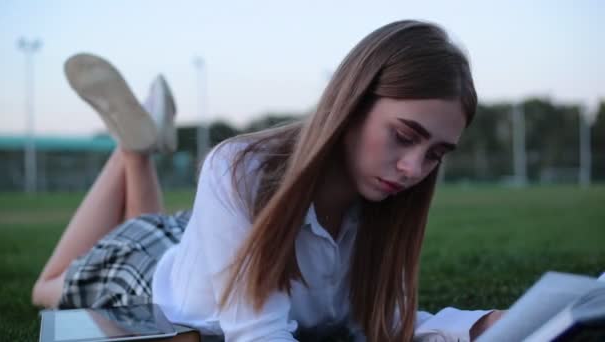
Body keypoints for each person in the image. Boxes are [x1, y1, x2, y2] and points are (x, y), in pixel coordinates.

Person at [32, 20, 503, 341]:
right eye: (403, 136)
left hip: (199, 240)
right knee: (46, 287)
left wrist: (483, 327)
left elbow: (387, 325)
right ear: (352, 103)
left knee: (157, 229)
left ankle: (140, 139)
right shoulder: (237, 167)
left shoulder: (383, 207)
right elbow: (258, 333)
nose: (414, 168)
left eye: (436, 154)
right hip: (149, 276)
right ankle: (132, 146)